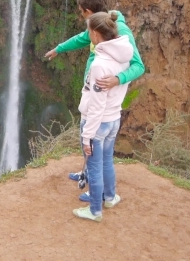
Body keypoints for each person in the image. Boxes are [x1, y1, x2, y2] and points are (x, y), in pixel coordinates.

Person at [44, 0, 144, 202]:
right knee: (92, 147)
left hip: (104, 101)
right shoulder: (101, 26)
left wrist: (118, 79)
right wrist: (58, 49)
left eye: (82, 12)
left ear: (89, 12)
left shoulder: (120, 32)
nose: (82, 18)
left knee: (94, 146)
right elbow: (81, 38)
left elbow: (138, 65)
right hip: (94, 96)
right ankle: (87, 175)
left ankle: (96, 193)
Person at [72, 11, 133, 222]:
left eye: (88, 31)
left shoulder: (99, 65)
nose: (87, 34)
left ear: (96, 34)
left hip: (98, 123)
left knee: (95, 167)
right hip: (114, 119)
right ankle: (110, 197)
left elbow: (97, 106)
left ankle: (95, 210)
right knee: (107, 161)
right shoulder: (124, 56)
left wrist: (87, 135)